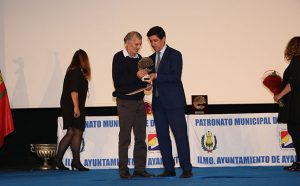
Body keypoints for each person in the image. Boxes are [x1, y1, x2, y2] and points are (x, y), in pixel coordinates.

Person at [147, 26, 193, 178]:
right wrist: (147, 81)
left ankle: (186, 168)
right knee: (162, 137)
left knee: (180, 136)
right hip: (158, 103)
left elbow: (175, 76)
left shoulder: (175, 54)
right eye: (151, 41)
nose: (153, 44)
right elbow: (151, 79)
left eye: (156, 40)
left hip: (174, 103)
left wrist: (157, 75)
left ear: (164, 38)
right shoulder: (150, 59)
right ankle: (169, 169)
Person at [112, 31, 153, 179]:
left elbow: (142, 81)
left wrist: (147, 84)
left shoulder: (141, 59)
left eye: (140, 44)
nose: (139, 47)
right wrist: (136, 76)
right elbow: (118, 81)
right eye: (136, 44)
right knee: (125, 138)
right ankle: (123, 170)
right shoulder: (118, 57)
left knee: (141, 137)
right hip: (125, 102)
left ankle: (140, 169)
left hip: (139, 102)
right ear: (127, 43)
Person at [54, 49, 91, 171]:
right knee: (76, 131)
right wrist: (76, 107)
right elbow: (73, 91)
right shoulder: (76, 72)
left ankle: (62, 160)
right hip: (72, 105)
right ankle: (73, 161)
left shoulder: (74, 71)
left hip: (70, 104)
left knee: (73, 132)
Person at [274, 36, 300, 171]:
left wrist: (280, 94)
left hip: (296, 106)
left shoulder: (297, 61)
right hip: (296, 104)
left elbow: (293, 83)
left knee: (296, 132)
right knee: (295, 132)